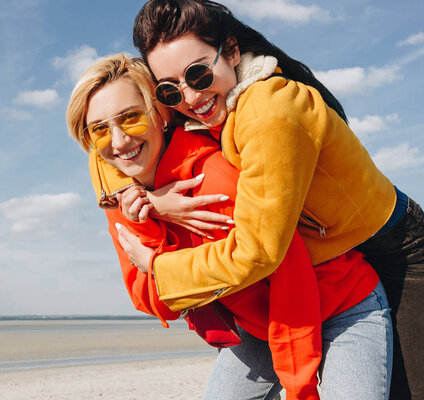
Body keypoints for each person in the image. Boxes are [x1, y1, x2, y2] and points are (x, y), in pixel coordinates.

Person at [110, 1, 423, 398]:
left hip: (397, 252)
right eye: (171, 88)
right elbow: (108, 141)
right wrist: (151, 201)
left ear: (233, 51)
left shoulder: (268, 113)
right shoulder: (209, 111)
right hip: (322, 267)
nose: (189, 95)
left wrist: (158, 266)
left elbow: (258, 251)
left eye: (198, 72)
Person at [66, 53, 392, 400]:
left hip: (338, 304)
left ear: (161, 115)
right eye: (99, 130)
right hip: (261, 327)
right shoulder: (121, 199)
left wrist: (300, 387)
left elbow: (289, 274)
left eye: (131, 118)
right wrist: (148, 218)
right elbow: (155, 303)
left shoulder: (214, 181)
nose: (118, 142)